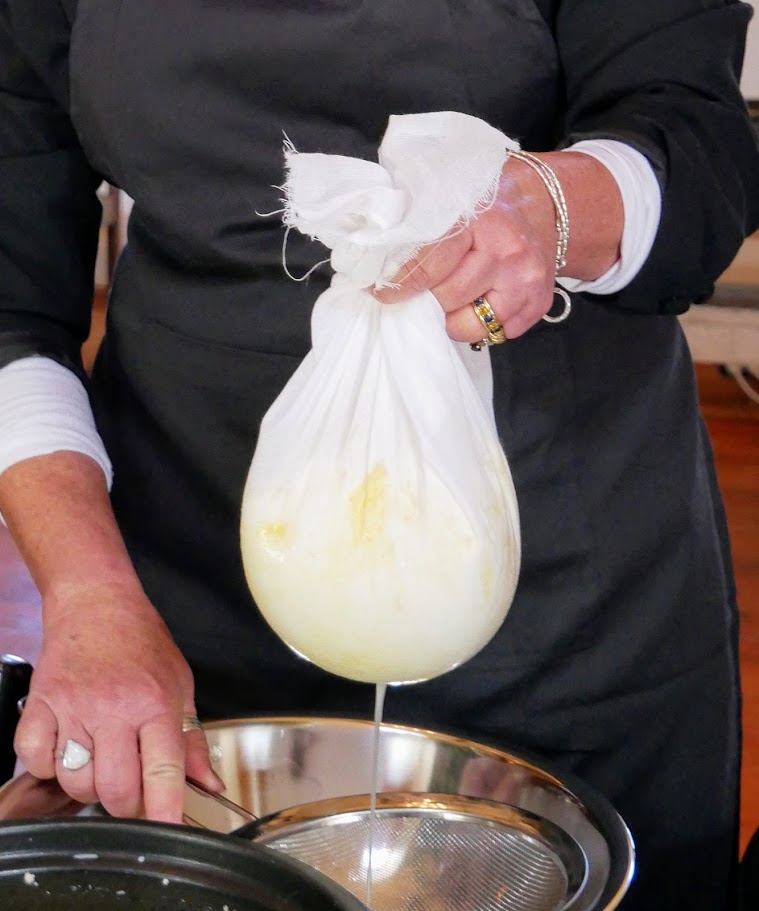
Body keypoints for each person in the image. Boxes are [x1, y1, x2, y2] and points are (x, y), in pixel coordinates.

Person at [0, 1, 757, 907]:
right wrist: (90, 593)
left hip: (561, 591)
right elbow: (12, 299)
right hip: (186, 589)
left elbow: (691, 137)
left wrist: (547, 207)